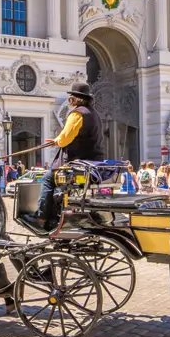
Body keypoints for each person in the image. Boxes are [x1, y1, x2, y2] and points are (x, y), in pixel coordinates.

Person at [35, 82, 104, 230]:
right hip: (93, 161)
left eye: (71, 96)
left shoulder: (77, 114)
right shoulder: (95, 114)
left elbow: (66, 137)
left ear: (76, 98)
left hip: (76, 162)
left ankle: (41, 217)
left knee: (47, 179)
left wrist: (58, 141)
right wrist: (58, 140)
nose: (70, 98)